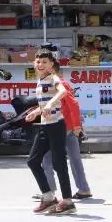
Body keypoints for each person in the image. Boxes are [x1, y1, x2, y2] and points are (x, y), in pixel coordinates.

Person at [26, 49, 76, 215]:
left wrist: (48, 105)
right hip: (44, 125)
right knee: (33, 161)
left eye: (44, 62)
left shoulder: (53, 78)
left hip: (56, 125)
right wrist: (37, 112)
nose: (40, 65)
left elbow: (62, 92)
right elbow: (45, 104)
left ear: (51, 65)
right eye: (38, 62)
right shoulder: (39, 82)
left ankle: (68, 202)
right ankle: (48, 197)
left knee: (58, 163)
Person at [33, 61, 92, 201]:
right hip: (67, 126)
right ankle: (84, 189)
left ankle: (49, 191)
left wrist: (77, 126)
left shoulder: (60, 84)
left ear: (51, 69)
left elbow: (74, 105)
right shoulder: (53, 84)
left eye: (44, 66)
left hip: (60, 126)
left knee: (46, 159)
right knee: (74, 159)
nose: (40, 68)